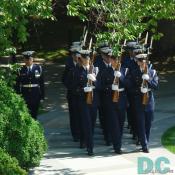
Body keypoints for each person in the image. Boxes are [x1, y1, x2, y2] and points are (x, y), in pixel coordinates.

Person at [99, 49, 129, 154]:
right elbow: (100, 86)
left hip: (121, 100)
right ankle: (117, 146)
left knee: (120, 124)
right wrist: (109, 87)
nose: (115, 61)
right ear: (110, 60)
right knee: (114, 124)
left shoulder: (124, 70)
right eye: (113, 59)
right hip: (110, 101)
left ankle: (118, 141)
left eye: (117, 59)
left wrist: (121, 77)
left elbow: (128, 85)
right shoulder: (105, 72)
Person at [127, 53, 159, 153]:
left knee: (148, 124)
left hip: (149, 101)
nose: (143, 63)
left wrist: (148, 79)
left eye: (144, 61)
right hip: (138, 101)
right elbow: (130, 87)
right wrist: (139, 90)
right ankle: (144, 145)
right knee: (140, 123)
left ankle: (146, 141)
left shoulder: (152, 72)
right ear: (138, 62)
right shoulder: (134, 72)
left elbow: (156, 86)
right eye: (141, 61)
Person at [15, 51, 44, 119]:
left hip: (35, 94)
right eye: (26, 59)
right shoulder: (20, 70)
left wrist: (42, 96)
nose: (28, 61)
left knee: (34, 114)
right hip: (24, 94)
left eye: (29, 59)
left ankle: (34, 128)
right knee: (26, 114)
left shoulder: (38, 68)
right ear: (24, 60)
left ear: (32, 59)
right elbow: (17, 84)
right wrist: (18, 95)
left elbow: (41, 83)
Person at [62, 44, 81, 142]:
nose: (76, 57)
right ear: (72, 56)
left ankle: (81, 133)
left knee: (81, 115)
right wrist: (72, 88)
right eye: (74, 55)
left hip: (81, 95)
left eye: (78, 55)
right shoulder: (69, 65)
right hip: (72, 94)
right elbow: (64, 80)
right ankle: (75, 134)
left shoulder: (83, 64)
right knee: (73, 115)